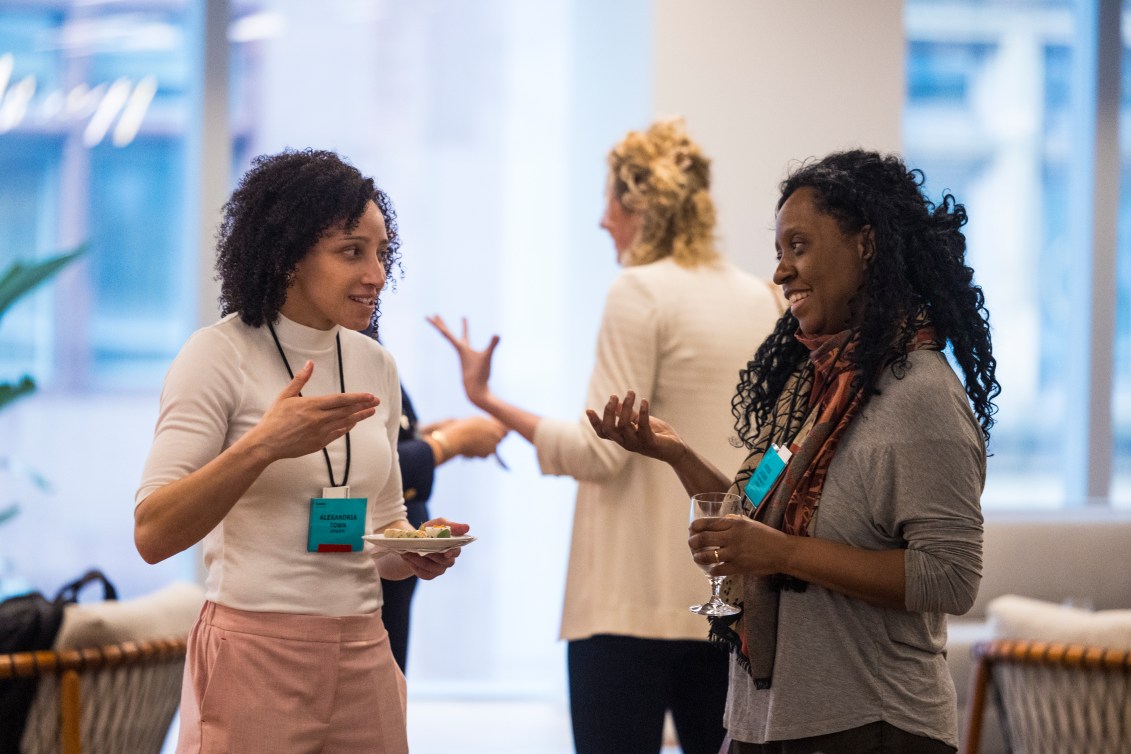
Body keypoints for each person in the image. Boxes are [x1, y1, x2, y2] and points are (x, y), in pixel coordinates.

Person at [589, 149, 1000, 754]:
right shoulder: (814, 385)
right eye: (780, 253)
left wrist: (784, 554)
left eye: (799, 247)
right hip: (768, 718)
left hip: (871, 725)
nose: (782, 272)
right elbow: (751, 509)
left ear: (865, 245)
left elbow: (950, 576)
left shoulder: (923, 395)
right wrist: (675, 454)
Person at [429, 118, 783, 754]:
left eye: (608, 201)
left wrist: (487, 402)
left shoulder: (638, 291)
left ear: (638, 204)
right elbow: (768, 463)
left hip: (628, 606)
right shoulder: (763, 298)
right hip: (726, 602)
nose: (601, 220)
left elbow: (601, 451)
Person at [133, 149, 468, 754]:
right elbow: (153, 533)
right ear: (287, 255)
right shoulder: (217, 356)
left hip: (366, 648)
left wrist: (413, 549)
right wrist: (263, 446)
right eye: (352, 252)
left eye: (382, 253)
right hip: (254, 652)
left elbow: (382, 529)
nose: (376, 274)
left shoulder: (375, 362)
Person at [382, 385, 506, 671]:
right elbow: (346, 468)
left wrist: (419, 434)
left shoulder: (374, 351)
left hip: (392, 577)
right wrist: (447, 442)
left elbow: (372, 444)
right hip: (357, 576)